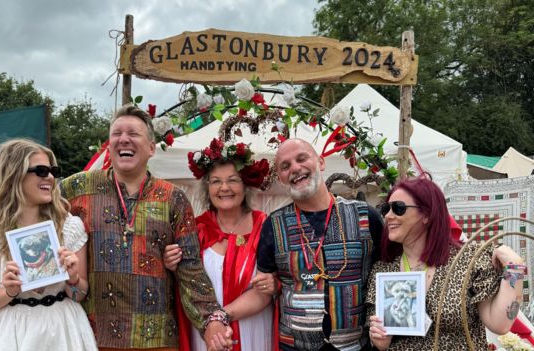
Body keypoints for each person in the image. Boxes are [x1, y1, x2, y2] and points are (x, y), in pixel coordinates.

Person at [0, 105, 233, 351]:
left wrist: (212, 319)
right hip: (92, 334)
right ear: (109, 145)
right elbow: (20, 207)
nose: (124, 139)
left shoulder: (174, 198)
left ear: (151, 147)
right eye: (117, 133)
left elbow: (191, 271)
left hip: (155, 336)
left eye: (134, 134)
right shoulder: (75, 188)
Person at [0, 138, 97, 350]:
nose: (51, 177)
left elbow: (79, 295)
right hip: (12, 332)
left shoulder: (70, 226)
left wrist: (72, 279)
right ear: (15, 175)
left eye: (53, 170)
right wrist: (7, 292)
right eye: (41, 170)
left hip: (63, 328)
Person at [367, 177, 525, 350]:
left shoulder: (468, 261)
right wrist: (380, 340)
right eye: (386, 209)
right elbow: (382, 341)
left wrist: (514, 266)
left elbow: (499, 324)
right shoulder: (384, 270)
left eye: (398, 208)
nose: (388, 216)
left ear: (426, 214)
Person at [256, 138, 383, 351]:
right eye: (285, 166)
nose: (295, 168)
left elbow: (387, 271)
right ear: (281, 178)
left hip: (355, 346)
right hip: (294, 347)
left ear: (321, 162)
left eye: (302, 158)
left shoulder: (365, 216)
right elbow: (267, 281)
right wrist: (274, 286)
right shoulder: (273, 225)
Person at [162, 138, 276, 351]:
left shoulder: (265, 226)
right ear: (207, 188)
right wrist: (171, 266)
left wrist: (276, 283)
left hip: (254, 328)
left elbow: (282, 277)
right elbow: (185, 285)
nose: (225, 188)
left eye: (233, 180)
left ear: (245, 185)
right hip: (209, 332)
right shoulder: (194, 230)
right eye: (216, 181)